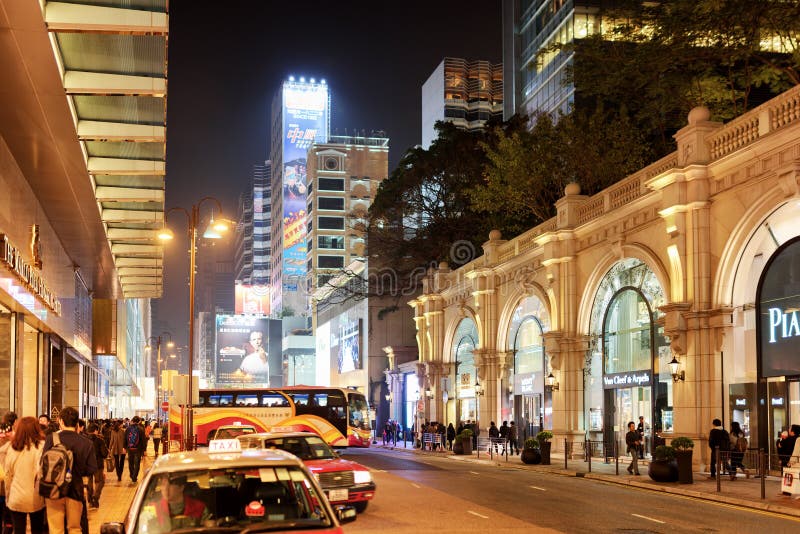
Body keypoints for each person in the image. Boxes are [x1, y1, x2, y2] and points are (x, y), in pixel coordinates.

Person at [41, 406, 98, 534]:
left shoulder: (51, 439)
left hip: (53, 490)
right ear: (77, 423)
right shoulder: (86, 443)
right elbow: (92, 469)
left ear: (60, 421)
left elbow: (43, 463)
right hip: (75, 490)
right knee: (75, 528)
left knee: (56, 529)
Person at [4, 417, 46, 533]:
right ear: (36, 429)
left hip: (17, 496)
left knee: (18, 530)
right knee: (38, 529)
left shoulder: (13, 448)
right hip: (36, 496)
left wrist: (8, 495)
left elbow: (8, 476)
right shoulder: (42, 446)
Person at [86, 423, 107, 508]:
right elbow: (104, 453)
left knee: (89, 482)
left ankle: (90, 500)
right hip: (98, 465)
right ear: (95, 430)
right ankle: (95, 497)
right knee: (100, 481)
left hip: (87, 464)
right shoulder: (100, 441)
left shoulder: (84, 440)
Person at [125, 416, 145, 484]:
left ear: (132, 420)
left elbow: (125, 438)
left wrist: (124, 447)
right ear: (139, 421)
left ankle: (131, 475)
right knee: (137, 464)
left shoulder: (128, 428)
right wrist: (144, 449)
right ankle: (134, 477)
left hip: (130, 449)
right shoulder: (141, 429)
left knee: (130, 463)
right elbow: (143, 440)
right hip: (138, 449)